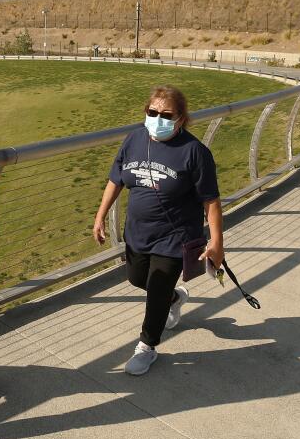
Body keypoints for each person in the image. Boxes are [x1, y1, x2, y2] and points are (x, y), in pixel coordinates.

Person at [92, 85, 224, 375]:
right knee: (138, 279)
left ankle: (147, 346)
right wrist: (100, 216)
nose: (158, 118)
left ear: (181, 118)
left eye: (167, 114)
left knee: (157, 290)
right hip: (138, 233)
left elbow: (211, 202)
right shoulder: (134, 139)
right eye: (152, 112)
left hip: (175, 238)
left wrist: (216, 242)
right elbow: (116, 180)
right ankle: (175, 298)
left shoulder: (195, 152)